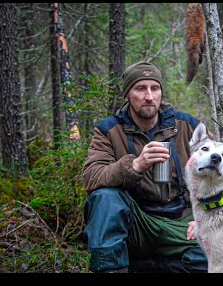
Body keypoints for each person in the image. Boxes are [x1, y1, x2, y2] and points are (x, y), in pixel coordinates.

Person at [82, 61, 208, 273]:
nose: (149, 96)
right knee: (104, 197)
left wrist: (206, 215)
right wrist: (136, 165)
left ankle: (153, 266)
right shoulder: (110, 130)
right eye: (140, 88)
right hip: (137, 222)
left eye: (155, 88)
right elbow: (91, 177)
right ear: (127, 95)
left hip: (182, 222)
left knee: (213, 254)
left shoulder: (187, 126)